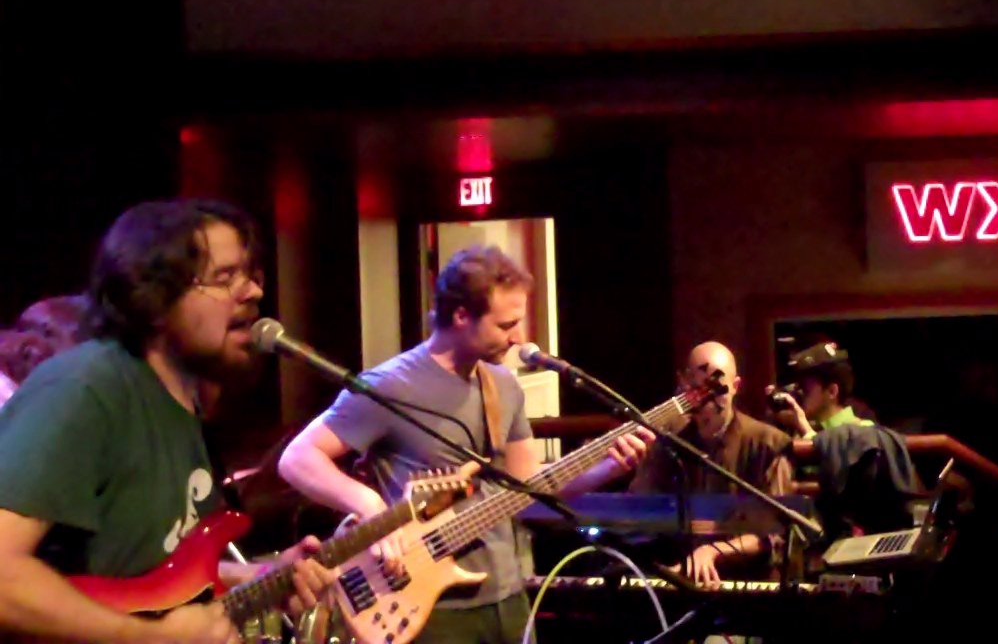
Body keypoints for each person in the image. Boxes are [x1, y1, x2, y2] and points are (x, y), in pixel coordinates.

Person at [278, 245, 653, 644]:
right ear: (461, 316)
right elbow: (298, 458)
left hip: (508, 596)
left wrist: (606, 469)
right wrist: (372, 508)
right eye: (506, 325)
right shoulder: (390, 385)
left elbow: (527, 488)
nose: (519, 338)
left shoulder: (503, 385)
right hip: (430, 610)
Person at [0, 199, 335, 644]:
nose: (253, 292)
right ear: (154, 297)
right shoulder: (86, 389)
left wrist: (261, 576)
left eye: (251, 275)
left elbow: (150, 571)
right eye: (224, 277)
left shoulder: (182, 406)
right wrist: (148, 638)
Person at [629, 341, 794, 585]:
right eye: (697, 388)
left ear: (735, 386)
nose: (706, 399)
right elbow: (638, 511)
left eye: (717, 388)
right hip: (677, 579)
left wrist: (711, 552)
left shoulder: (768, 444)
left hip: (746, 584)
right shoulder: (668, 440)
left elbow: (773, 534)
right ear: (683, 385)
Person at [767, 342, 874, 441]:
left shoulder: (863, 431)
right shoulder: (805, 430)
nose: (797, 393)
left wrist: (803, 426)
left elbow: (830, 452)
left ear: (832, 392)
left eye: (804, 388)